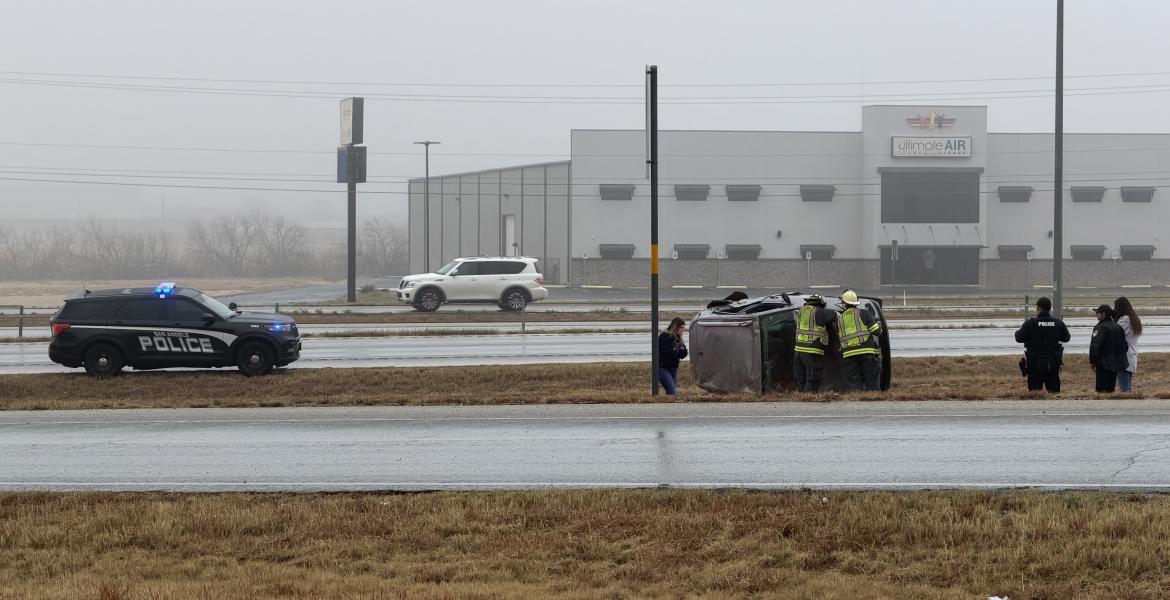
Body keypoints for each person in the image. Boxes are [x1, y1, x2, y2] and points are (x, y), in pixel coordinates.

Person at [1014, 297, 1071, 393]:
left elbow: (1019, 338)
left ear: (1038, 309)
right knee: (1054, 394)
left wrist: (1018, 332)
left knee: (1035, 394)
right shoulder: (1058, 323)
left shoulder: (1030, 323)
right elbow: (1066, 338)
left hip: (1034, 363)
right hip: (1053, 363)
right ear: (1049, 308)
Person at [836, 290, 883, 392]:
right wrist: (877, 322)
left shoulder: (839, 319)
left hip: (848, 355)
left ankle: (857, 403)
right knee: (871, 381)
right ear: (856, 302)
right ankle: (875, 402)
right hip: (867, 353)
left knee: (855, 382)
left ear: (844, 303)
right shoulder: (864, 313)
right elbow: (876, 332)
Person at [793, 294, 836, 392]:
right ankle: (808, 402)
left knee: (801, 380)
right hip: (811, 352)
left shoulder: (801, 311)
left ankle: (800, 401)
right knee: (812, 380)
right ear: (820, 303)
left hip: (798, 352)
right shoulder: (818, 312)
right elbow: (833, 314)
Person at [1089, 305, 1128, 393]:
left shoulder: (1100, 327)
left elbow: (1095, 346)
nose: (1096, 315)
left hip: (1103, 363)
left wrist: (1092, 361)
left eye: (1097, 313)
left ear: (1103, 314)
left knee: (1101, 389)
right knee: (1111, 388)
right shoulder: (1118, 327)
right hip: (1115, 362)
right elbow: (1125, 346)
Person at [1113, 296, 1143, 392]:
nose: (1114, 310)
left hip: (1124, 357)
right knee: (1127, 386)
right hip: (1130, 355)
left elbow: (1115, 333)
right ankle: (1131, 404)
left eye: (1116, 307)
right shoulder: (1132, 319)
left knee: (1124, 389)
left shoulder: (1125, 320)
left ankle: (1128, 405)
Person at [658, 317, 688, 395]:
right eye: (682, 327)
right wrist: (677, 350)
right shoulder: (665, 336)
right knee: (672, 392)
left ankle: (668, 406)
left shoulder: (678, 339)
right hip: (663, 369)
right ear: (676, 326)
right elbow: (669, 351)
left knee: (672, 393)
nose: (683, 330)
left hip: (673, 369)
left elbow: (684, 353)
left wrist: (677, 350)